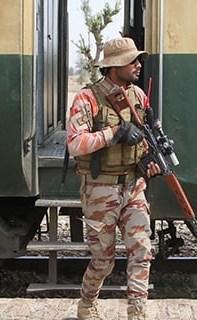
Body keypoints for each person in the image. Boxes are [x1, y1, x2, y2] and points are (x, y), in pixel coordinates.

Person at [66, 37, 162, 320]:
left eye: (138, 60)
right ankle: (87, 302)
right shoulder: (87, 98)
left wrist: (148, 162)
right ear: (113, 66)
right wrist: (114, 133)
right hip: (100, 189)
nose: (138, 65)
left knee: (142, 250)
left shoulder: (139, 96)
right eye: (132, 61)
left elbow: (144, 140)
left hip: (133, 187)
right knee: (103, 260)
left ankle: (137, 312)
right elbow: (75, 143)